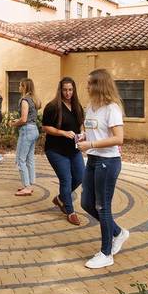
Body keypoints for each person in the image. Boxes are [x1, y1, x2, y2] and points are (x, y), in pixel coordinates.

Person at [77, 68, 130, 269]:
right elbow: (92, 131)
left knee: (102, 206)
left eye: (90, 83)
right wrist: (84, 137)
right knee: (86, 202)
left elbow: (119, 138)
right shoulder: (90, 106)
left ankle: (106, 253)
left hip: (108, 162)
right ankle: (118, 232)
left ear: (99, 85)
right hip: (92, 160)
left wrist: (90, 145)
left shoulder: (112, 108)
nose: (87, 86)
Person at [42, 77, 85, 225]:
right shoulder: (53, 106)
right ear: (60, 90)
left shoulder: (77, 106)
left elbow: (80, 126)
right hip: (56, 150)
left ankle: (60, 198)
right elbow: (46, 127)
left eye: (70, 90)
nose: (68, 93)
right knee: (66, 179)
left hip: (74, 150)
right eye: (65, 90)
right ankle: (70, 210)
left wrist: (81, 137)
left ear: (74, 90)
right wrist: (63, 132)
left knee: (80, 176)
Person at [10, 78, 41, 196]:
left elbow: (23, 119)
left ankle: (27, 187)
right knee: (30, 159)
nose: (18, 87)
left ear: (24, 87)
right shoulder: (33, 99)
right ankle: (30, 184)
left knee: (20, 160)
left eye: (20, 85)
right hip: (34, 130)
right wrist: (19, 121)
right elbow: (28, 117)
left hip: (27, 131)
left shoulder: (24, 100)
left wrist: (13, 123)